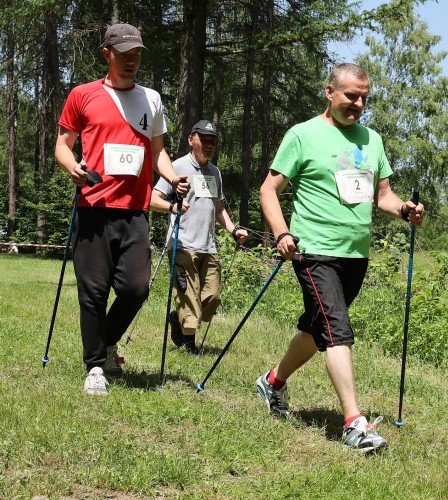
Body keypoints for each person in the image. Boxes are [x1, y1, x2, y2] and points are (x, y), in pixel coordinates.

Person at [257, 63, 424, 453]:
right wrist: (282, 232)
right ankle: (354, 424)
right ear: (329, 92)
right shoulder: (302, 135)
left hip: (355, 254)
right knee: (337, 330)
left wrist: (405, 210)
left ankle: (273, 381)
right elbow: (269, 189)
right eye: (351, 95)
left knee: (318, 331)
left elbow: (382, 195)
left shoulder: (372, 140)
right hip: (314, 249)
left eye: (364, 97)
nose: (358, 103)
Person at [55, 23, 189, 395]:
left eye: (137, 55)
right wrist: (73, 168)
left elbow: (158, 151)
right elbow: (62, 145)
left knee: (136, 287)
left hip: (135, 209)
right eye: (125, 55)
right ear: (107, 55)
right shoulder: (83, 95)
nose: (132, 61)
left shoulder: (152, 99)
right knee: (93, 292)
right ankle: (96, 366)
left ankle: (107, 342)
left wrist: (174, 178)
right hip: (94, 205)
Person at [150, 120, 248, 354]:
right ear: (191, 140)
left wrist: (234, 230)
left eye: (212, 141)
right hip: (183, 244)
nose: (208, 145)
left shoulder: (215, 172)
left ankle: (177, 318)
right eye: (204, 140)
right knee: (189, 298)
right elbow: (153, 199)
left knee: (212, 297)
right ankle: (190, 346)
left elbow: (219, 208)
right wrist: (172, 208)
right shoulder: (176, 167)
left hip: (208, 246)